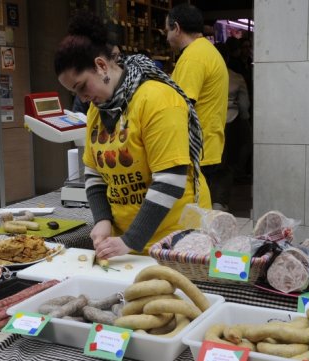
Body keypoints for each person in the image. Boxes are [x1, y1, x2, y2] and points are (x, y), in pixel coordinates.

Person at [54, 11, 210, 258]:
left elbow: (170, 180)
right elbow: (94, 174)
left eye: (82, 86)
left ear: (101, 65)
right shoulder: (97, 110)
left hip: (175, 242)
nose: (82, 98)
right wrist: (103, 220)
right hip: (126, 243)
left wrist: (131, 239)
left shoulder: (157, 100)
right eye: (75, 93)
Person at [165, 3, 228, 209]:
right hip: (207, 145)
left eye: (167, 30)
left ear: (176, 27)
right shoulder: (206, 51)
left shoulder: (193, 57)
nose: (167, 38)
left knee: (192, 218)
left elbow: (180, 106)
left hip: (196, 150)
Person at [211, 42, 251, 211]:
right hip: (231, 122)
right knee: (226, 165)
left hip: (207, 122)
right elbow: (244, 105)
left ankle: (205, 199)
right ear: (227, 58)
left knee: (207, 164)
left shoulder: (204, 75)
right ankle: (219, 202)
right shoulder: (236, 77)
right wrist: (245, 120)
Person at [72, 42, 121, 114]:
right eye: (113, 56)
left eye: (119, 55)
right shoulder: (88, 91)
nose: (118, 59)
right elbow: (77, 114)